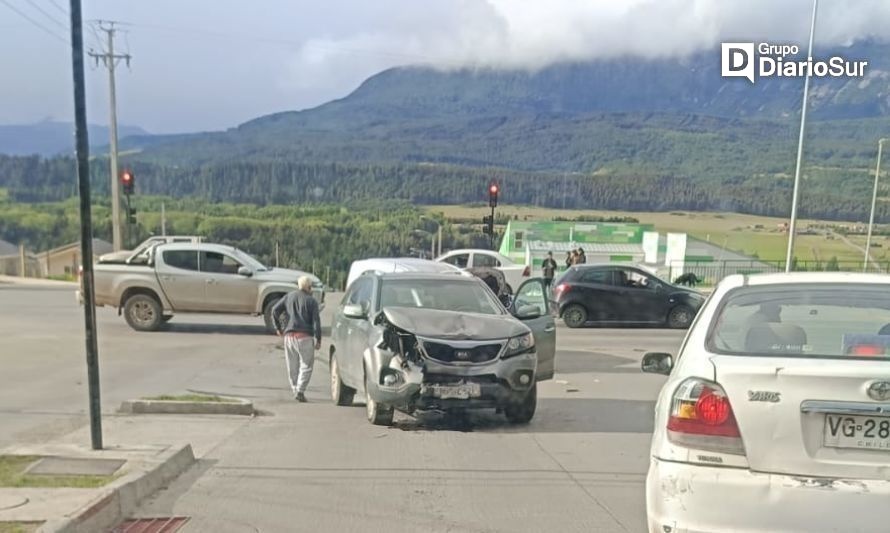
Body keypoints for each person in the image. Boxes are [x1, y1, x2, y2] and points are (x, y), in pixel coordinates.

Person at [272, 275, 322, 403]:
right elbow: (316, 321)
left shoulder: (289, 296)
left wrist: (278, 327)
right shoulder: (312, 301)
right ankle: (300, 390)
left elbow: (274, 310)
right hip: (305, 337)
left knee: (292, 366)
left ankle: (295, 389)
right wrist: (318, 339)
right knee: (306, 365)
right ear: (309, 287)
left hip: (289, 336)